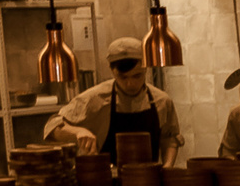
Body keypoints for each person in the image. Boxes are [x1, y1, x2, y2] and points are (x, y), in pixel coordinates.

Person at [44, 35, 184, 165]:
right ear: (112, 70)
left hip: (148, 183)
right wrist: (78, 132)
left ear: (146, 68)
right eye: (123, 77)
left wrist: (167, 169)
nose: (130, 84)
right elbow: (51, 128)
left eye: (137, 76)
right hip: (106, 183)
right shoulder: (95, 99)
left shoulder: (162, 101)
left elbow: (169, 139)